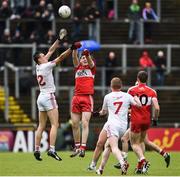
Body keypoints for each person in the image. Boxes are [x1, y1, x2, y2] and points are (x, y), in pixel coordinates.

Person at [33, 29, 81, 161]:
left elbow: (51, 50)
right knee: (55, 125)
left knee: (41, 125)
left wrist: (59, 40)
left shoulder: (38, 66)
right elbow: (60, 57)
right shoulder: (45, 66)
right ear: (39, 59)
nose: (45, 55)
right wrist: (71, 48)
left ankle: (37, 149)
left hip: (40, 97)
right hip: (48, 96)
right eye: (43, 55)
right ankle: (52, 149)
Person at [88, 77, 141, 175]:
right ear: (121, 86)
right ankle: (99, 168)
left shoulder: (108, 96)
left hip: (112, 125)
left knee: (113, 147)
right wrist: (136, 97)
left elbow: (103, 112)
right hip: (122, 126)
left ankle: (123, 163)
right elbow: (139, 106)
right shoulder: (127, 96)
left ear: (111, 86)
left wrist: (96, 114)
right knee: (103, 144)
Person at [128, 71, 160, 174]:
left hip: (136, 119)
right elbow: (157, 108)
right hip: (146, 120)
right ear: (147, 79)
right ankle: (140, 167)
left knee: (134, 144)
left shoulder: (132, 90)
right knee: (141, 142)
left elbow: (128, 104)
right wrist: (155, 119)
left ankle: (143, 161)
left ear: (137, 78)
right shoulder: (152, 91)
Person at [70, 48, 96, 158]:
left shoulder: (92, 68)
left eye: (85, 58)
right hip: (76, 97)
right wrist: (74, 49)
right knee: (75, 124)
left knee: (85, 123)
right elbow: (74, 57)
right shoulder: (77, 68)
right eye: (82, 58)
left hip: (86, 98)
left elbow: (90, 61)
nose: (84, 59)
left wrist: (87, 54)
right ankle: (77, 147)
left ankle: (83, 148)